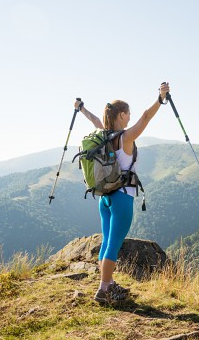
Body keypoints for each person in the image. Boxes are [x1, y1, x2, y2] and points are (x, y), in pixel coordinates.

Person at [75, 82, 170, 303]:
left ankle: (107, 284)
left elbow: (94, 120)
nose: (130, 118)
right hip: (121, 198)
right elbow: (146, 117)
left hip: (105, 198)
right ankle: (104, 290)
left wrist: (81, 108)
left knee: (108, 241)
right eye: (128, 114)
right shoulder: (125, 138)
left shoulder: (104, 135)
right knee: (114, 244)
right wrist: (160, 98)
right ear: (121, 115)